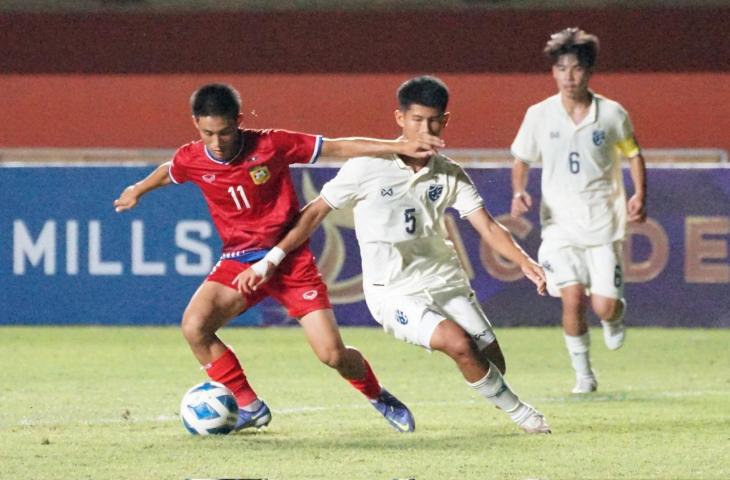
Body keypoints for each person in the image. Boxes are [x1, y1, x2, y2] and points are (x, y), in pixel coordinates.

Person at [113, 83, 445, 432]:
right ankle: (249, 406)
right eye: (207, 133)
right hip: (239, 261)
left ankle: (378, 396)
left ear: (238, 121)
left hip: (290, 260)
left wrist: (397, 146)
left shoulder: (272, 145)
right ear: (196, 123)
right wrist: (138, 189)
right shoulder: (192, 157)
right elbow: (171, 169)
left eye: (224, 132)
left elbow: (337, 147)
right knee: (195, 326)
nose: (217, 142)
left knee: (332, 355)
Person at [238, 76, 551, 434]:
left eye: (433, 121)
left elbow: (489, 227)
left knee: (491, 359)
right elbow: (314, 212)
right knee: (458, 343)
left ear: (444, 121)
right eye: (416, 120)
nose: (425, 129)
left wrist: (526, 263)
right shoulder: (366, 166)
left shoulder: (449, 174)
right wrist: (271, 259)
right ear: (400, 119)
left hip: (444, 280)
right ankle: (525, 416)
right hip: (392, 290)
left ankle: (500, 395)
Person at [510, 28, 648, 394]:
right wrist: (519, 190)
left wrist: (639, 196)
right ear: (553, 72)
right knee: (571, 297)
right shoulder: (539, 115)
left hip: (603, 224)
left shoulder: (612, 114)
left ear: (589, 71)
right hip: (559, 228)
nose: (569, 76)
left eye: (576, 69)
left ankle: (615, 318)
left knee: (604, 307)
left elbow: (634, 155)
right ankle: (584, 376)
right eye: (561, 68)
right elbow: (522, 158)